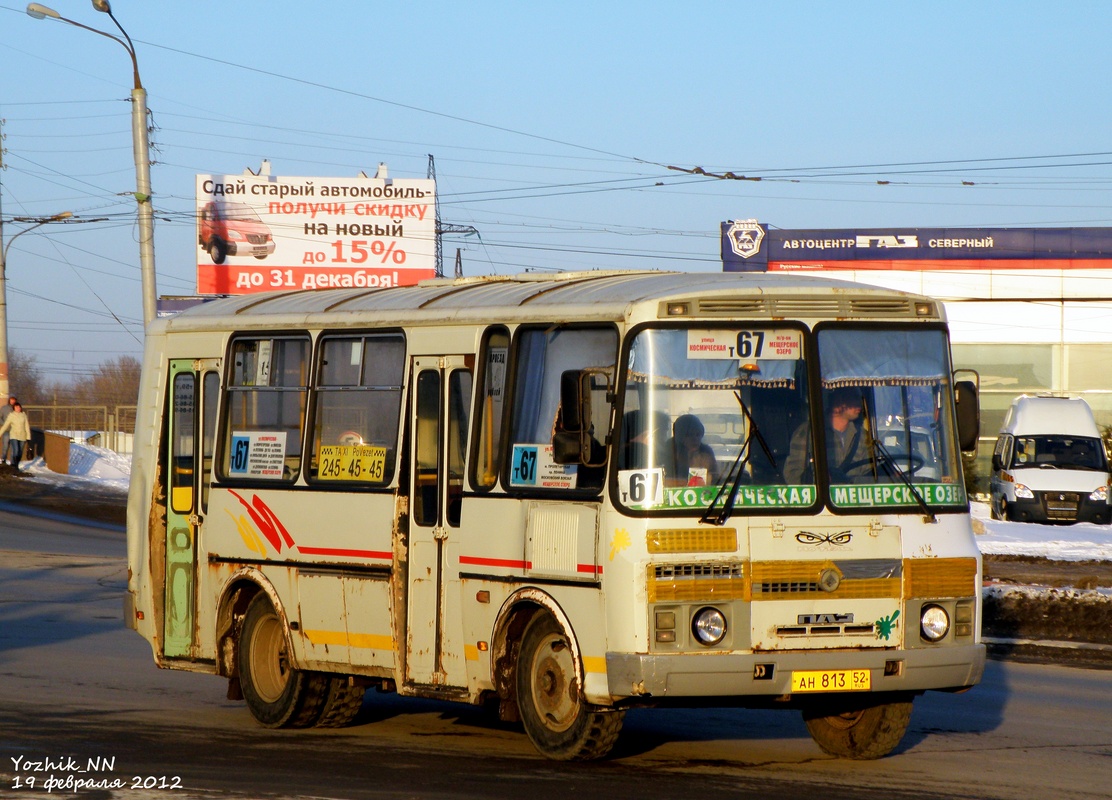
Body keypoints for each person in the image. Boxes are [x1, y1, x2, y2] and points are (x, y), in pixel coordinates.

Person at [784, 387, 873, 484]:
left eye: (861, 398)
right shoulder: (808, 433)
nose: (860, 403)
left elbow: (870, 474)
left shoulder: (863, 435)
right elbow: (793, 475)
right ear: (839, 400)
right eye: (855, 397)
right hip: (822, 498)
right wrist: (820, 481)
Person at [671, 413, 719, 486]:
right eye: (689, 435)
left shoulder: (706, 453)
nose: (695, 439)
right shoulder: (669, 451)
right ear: (679, 436)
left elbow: (714, 480)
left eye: (698, 434)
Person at [0, 401, 30, 468]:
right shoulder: (11, 415)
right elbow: (5, 425)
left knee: (20, 452)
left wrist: (28, 437)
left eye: (19, 407)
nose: (18, 408)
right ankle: (14, 465)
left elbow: (27, 426)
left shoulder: (24, 415)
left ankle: (16, 464)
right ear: (14, 408)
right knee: (16, 451)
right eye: (16, 407)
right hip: (14, 435)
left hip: (22, 436)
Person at [0, 396, 14, 464]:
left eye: (14, 400)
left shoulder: (16, 408)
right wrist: (4, 424)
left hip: (14, 431)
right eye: (11, 400)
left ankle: (12, 462)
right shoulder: (4, 408)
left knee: (13, 447)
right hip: (6, 430)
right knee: (5, 446)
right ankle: (3, 460)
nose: (12, 402)